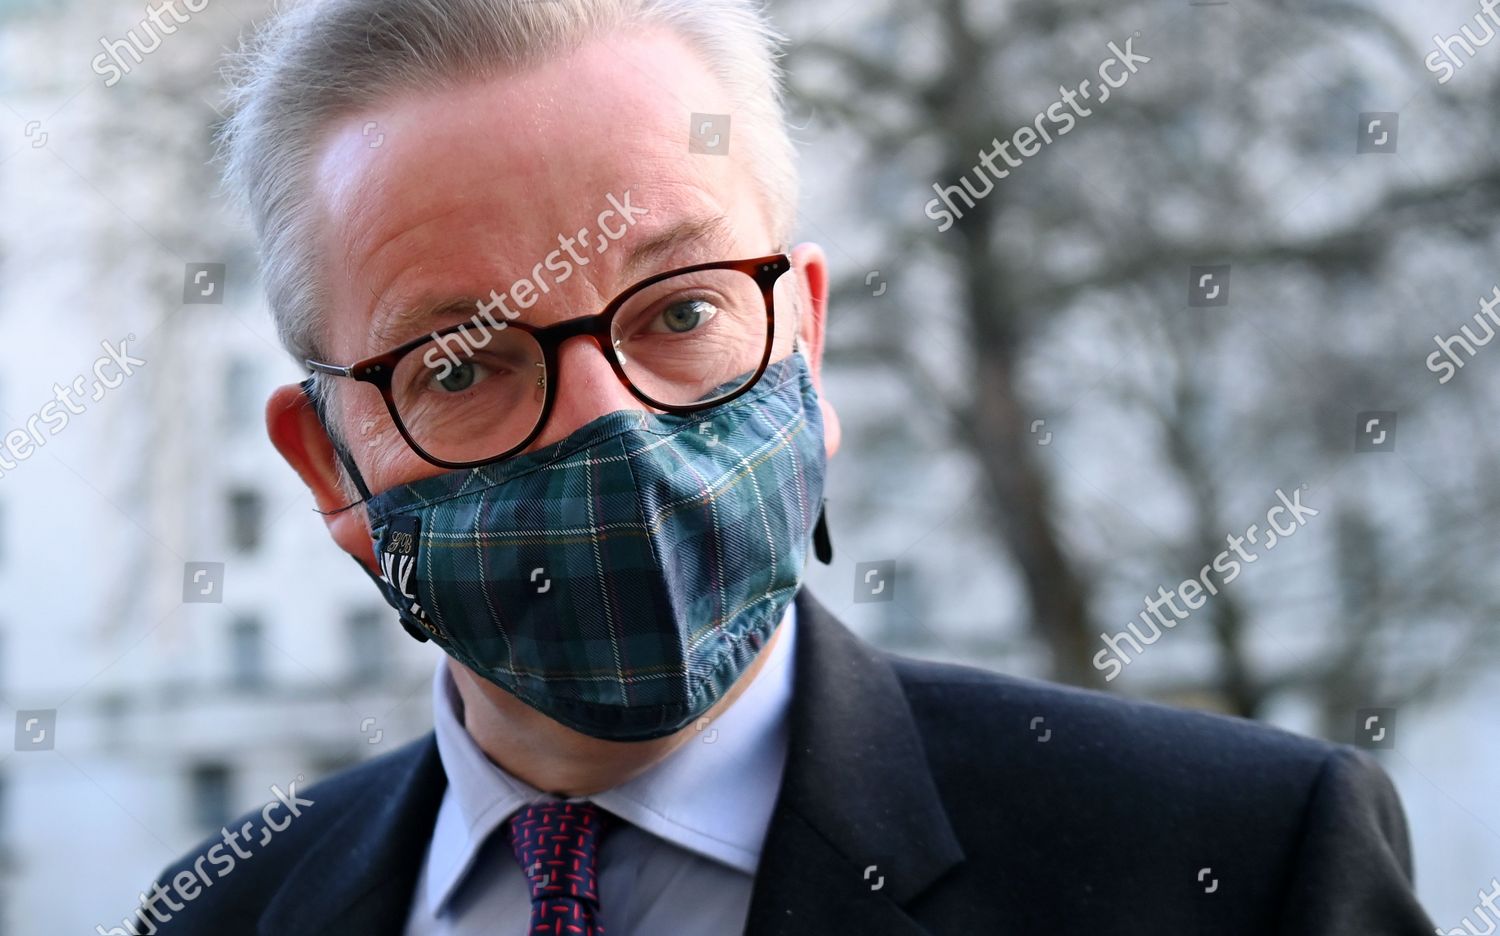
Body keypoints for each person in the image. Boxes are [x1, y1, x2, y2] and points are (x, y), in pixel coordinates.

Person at [142, 1, 1436, 933]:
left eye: (682, 312)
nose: (615, 429)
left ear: (803, 342)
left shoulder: (1237, 866)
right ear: (331, 471)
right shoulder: (221, 916)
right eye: (467, 366)